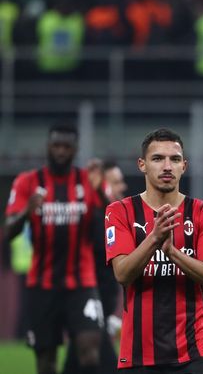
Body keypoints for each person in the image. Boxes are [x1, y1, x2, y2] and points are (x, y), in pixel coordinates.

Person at [105, 128, 203, 373]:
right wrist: (155, 238)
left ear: (184, 166)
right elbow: (122, 274)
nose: (167, 166)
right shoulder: (119, 212)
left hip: (194, 353)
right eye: (158, 158)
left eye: (175, 159)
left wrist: (172, 253)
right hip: (138, 355)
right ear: (142, 165)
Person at [3, 124, 104, 374]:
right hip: (42, 286)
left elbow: (110, 220)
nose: (60, 151)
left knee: (90, 351)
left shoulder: (86, 181)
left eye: (66, 147)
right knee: (46, 361)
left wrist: (101, 189)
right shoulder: (27, 182)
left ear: (75, 149)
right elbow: (8, 230)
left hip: (82, 284)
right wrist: (26, 212)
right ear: (48, 147)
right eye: (56, 145)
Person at [64, 159, 128, 374]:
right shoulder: (93, 218)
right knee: (107, 364)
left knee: (76, 361)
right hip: (88, 304)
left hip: (99, 307)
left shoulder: (116, 217)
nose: (123, 187)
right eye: (117, 182)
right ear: (104, 185)